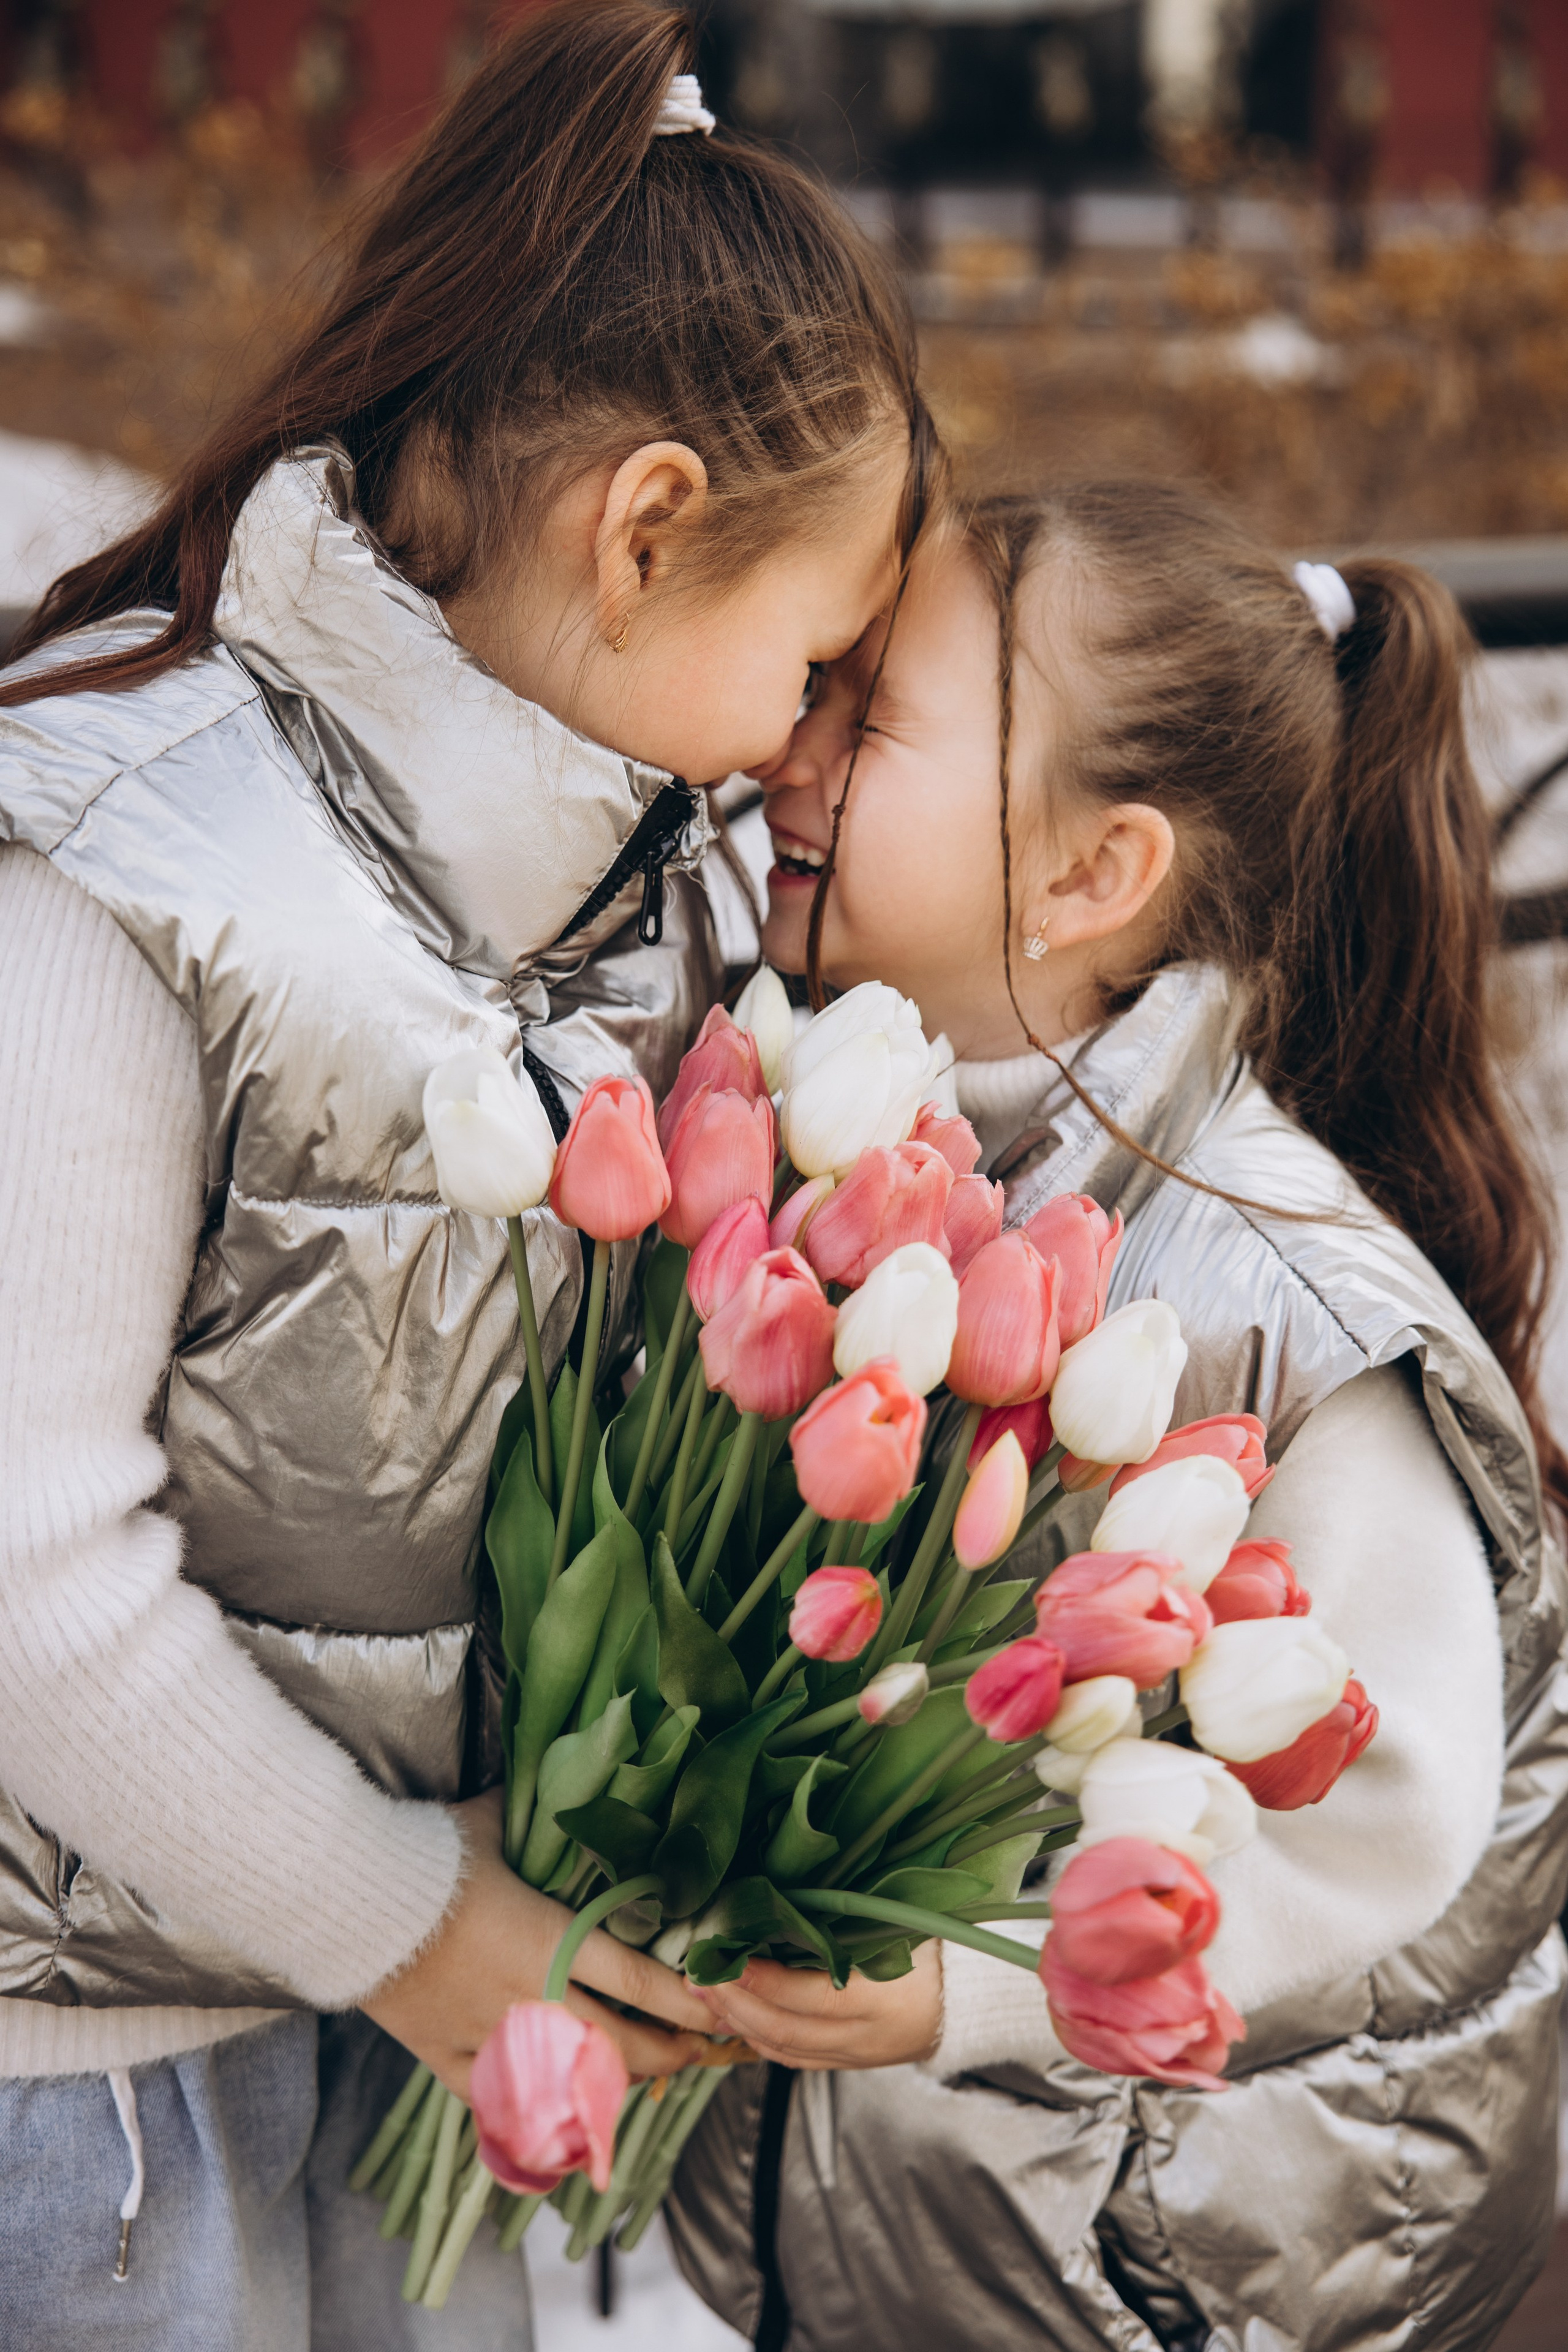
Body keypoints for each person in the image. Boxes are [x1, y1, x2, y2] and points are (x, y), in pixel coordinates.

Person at [0, 7, 937, 2345]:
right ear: (645, 531)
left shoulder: (608, 900)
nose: (811, 746)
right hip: (89, 2087)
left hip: (370, 2010)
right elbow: (22, 1572)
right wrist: (419, 1923)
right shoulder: (124, 877)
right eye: (819, 659)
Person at [665, 486, 1568, 2351]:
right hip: (901, 2235)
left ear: (1092, 876)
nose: (787, 752)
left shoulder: (1283, 1313)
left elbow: (1391, 1817)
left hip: (1175, 2272)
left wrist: (975, 1979)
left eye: (869, 717)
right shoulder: (868, 1149)